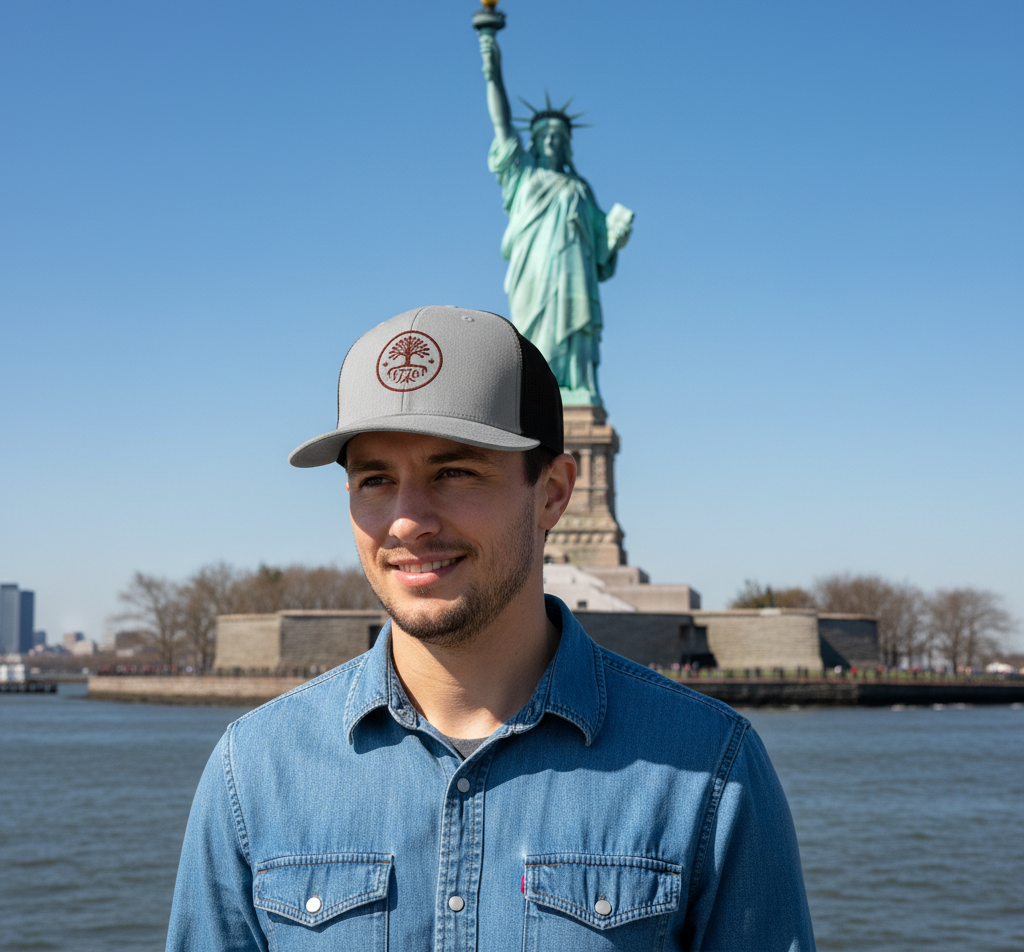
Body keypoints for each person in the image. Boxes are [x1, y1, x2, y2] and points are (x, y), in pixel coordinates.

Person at [166, 305, 815, 951]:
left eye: (454, 472)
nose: (406, 521)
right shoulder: (252, 770)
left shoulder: (713, 768)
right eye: (375, 479)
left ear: (553, 492)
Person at [479, 29, 634, 407]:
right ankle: (540, 401)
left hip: (574, 272)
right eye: (545, 134)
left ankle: (577, 388)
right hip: (533, 271)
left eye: (559, 136)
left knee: (575, 327)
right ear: (533, 142)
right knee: (534, 339)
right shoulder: (523, 176)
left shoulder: (579, 188)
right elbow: (502, 122)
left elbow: (600, 247)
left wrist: (616, 236)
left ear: (567, 145)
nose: (552, 140)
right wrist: (492, 67)